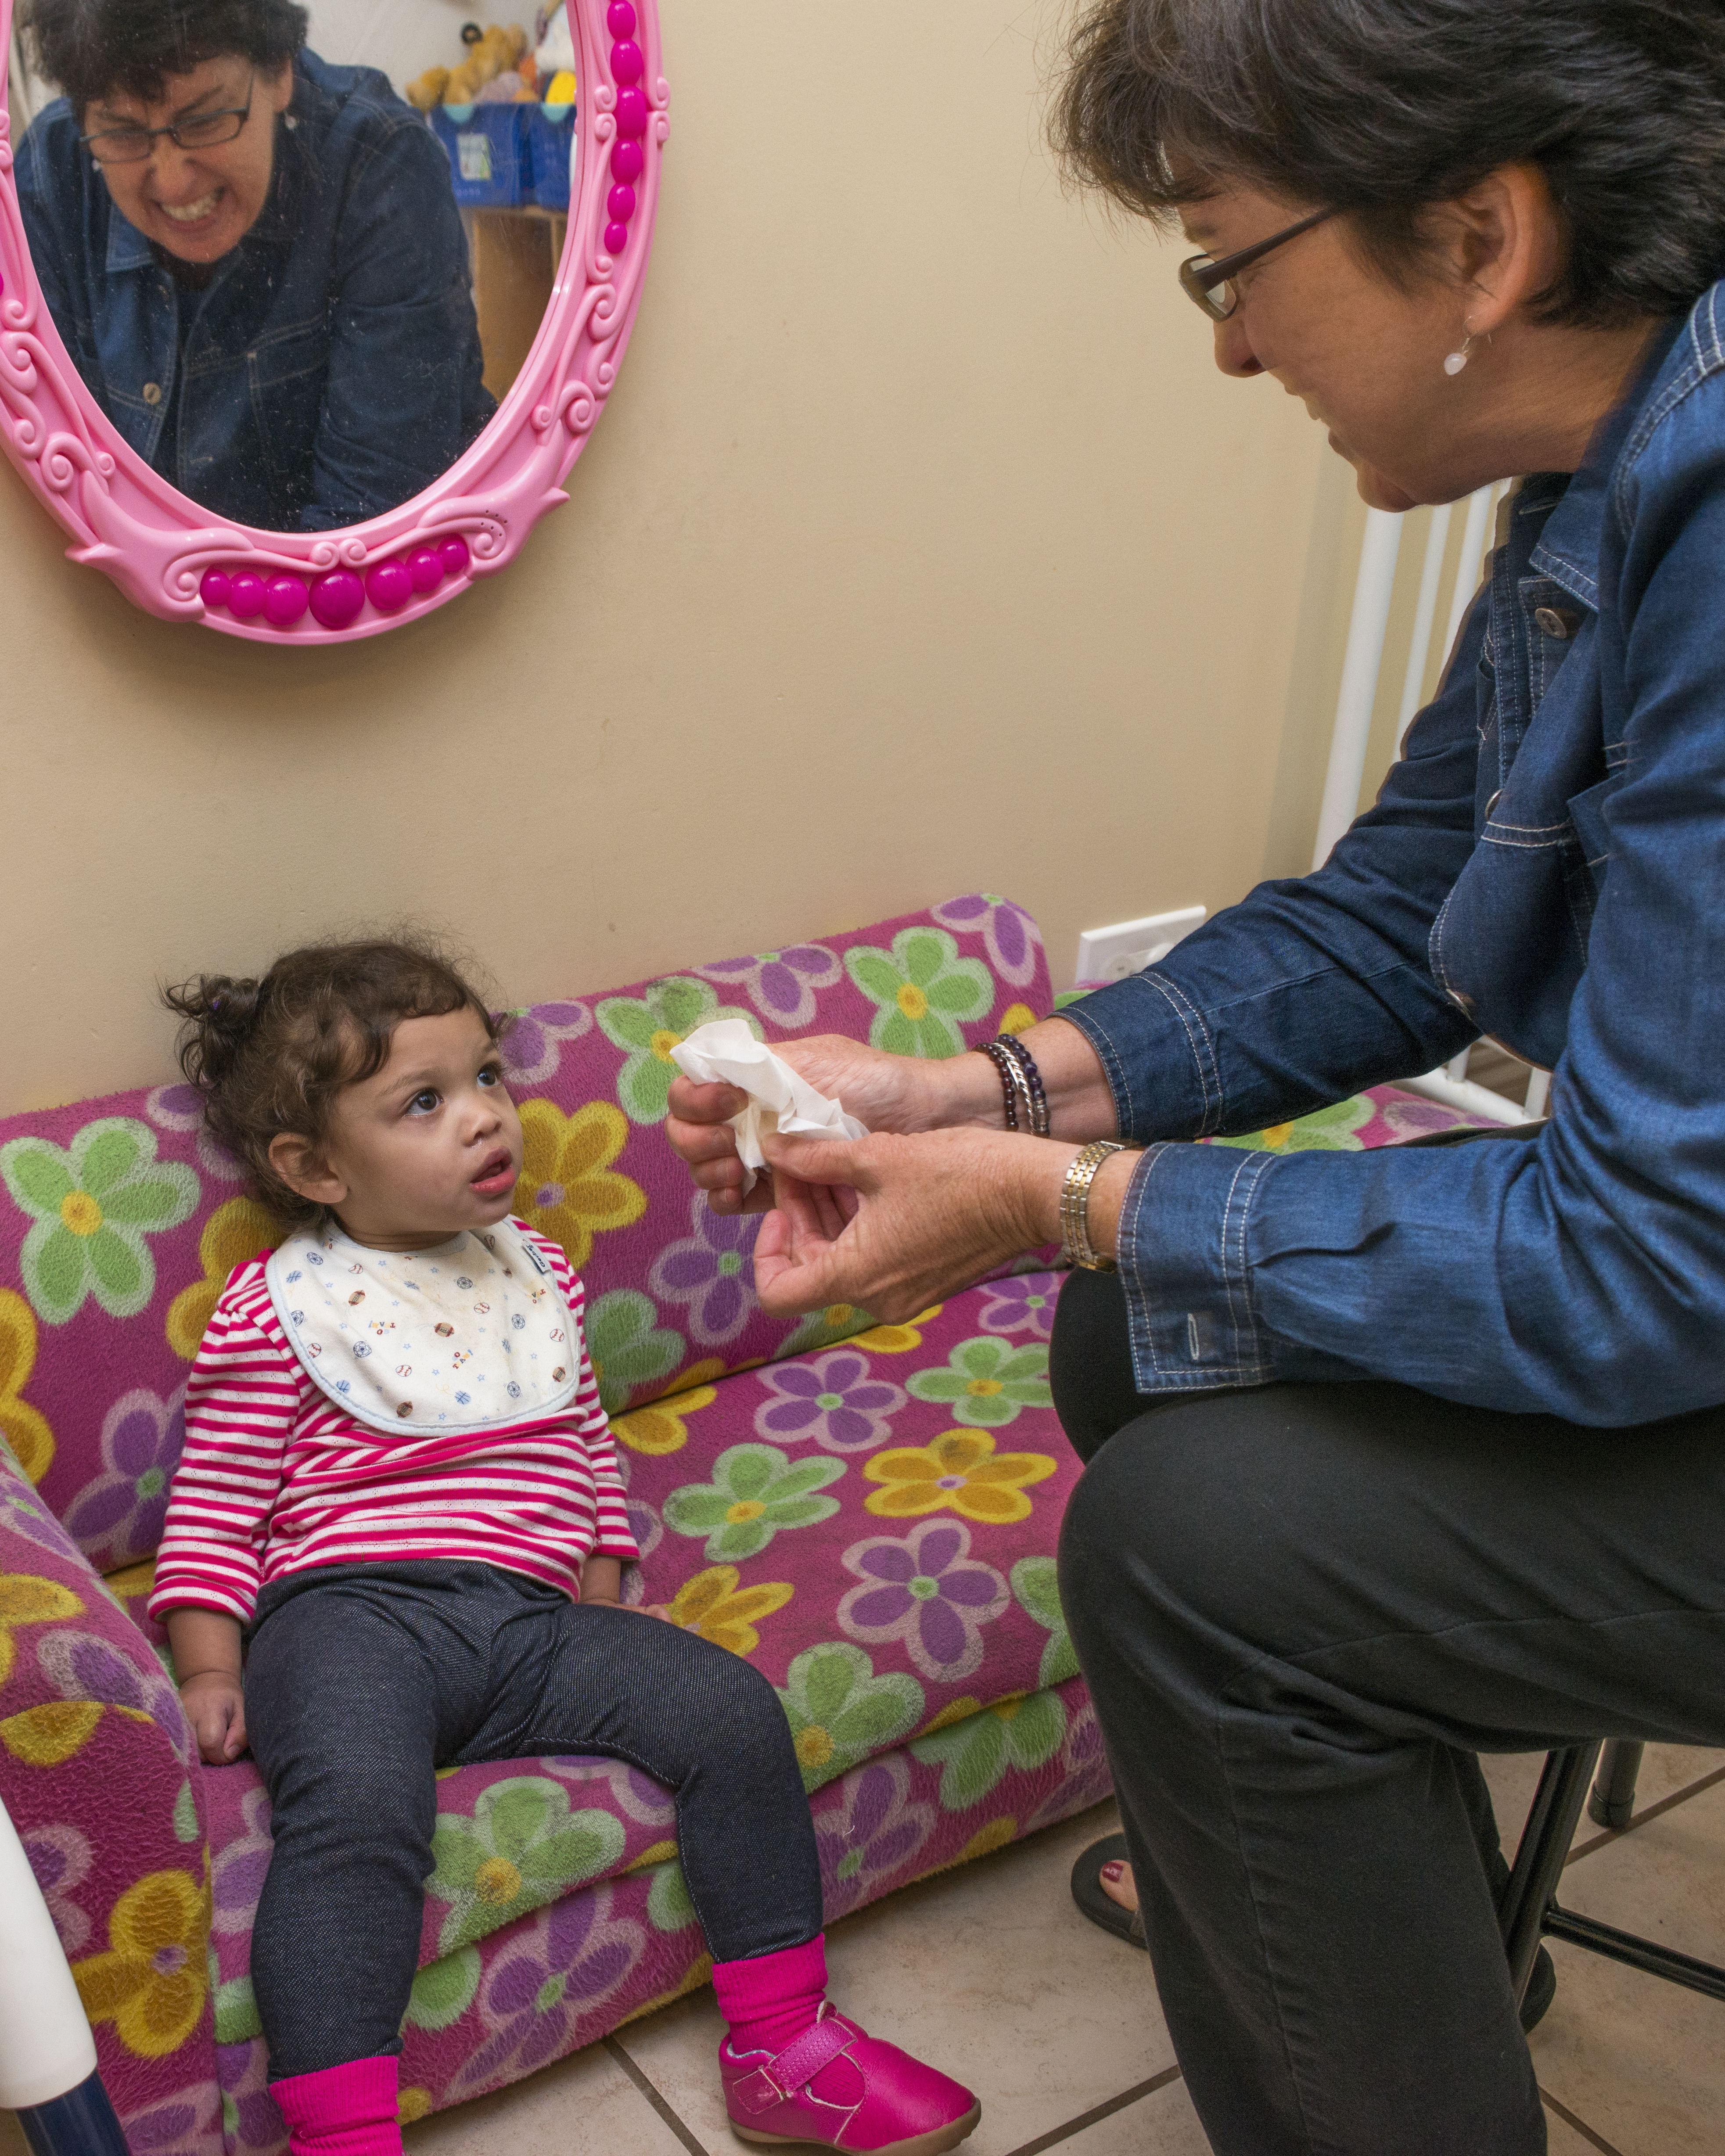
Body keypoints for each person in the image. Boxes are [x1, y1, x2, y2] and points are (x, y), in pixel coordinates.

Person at [664, 2, 1725, 2149]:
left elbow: (1638, 1259)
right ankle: (1355, 1892)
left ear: (1484, 242)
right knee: (1142, 1337)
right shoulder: (1595, 489)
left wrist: (1064, 1194)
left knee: (1194, 1546)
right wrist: (985, 1089)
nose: (1229, 347)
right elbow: (1397, 907)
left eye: (1229, 260)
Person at [149, 939, 979, 2156]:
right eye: (424, 1104)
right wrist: (211, 1668)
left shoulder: (540, 1275)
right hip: (348, 1619)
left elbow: (584, 1446)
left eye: (488, 1077)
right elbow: (216, 1503)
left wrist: (602, 1587)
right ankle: (341, 2136)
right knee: (358, 1817)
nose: (486, 1119)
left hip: (534, 1625)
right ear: (314, 1164)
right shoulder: (279, 1304)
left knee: (733, 1716)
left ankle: (784, 2047)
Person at [15, 0, 494, 531]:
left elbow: (368, 527)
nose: (173, 182)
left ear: (280, 70)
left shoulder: (382, 167)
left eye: (204, 119)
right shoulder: (49, 171)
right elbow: (53, 514)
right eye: (124, 134)